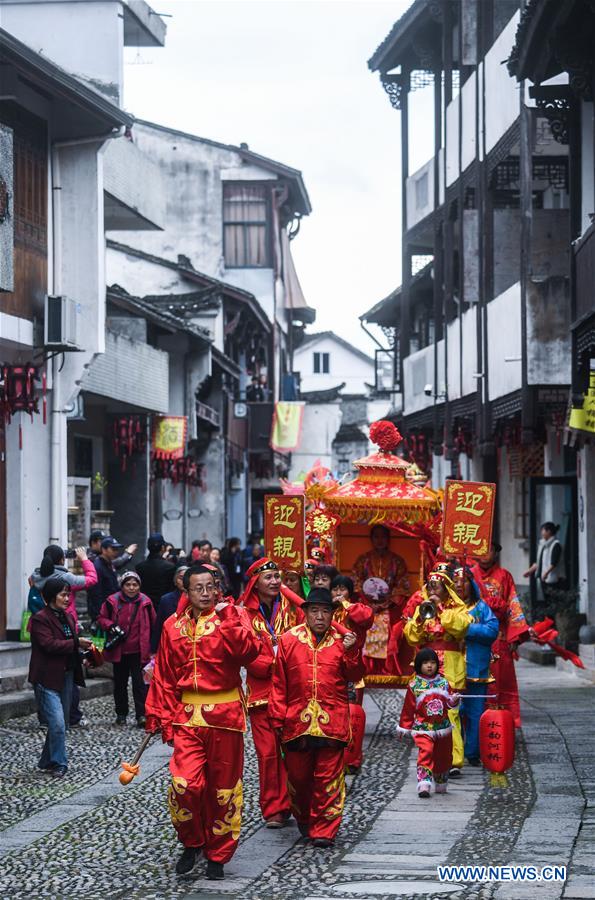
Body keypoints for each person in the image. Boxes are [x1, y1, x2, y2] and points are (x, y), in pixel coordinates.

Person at [145, 564, 261, 880]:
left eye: (210, 587)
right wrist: (161, 715)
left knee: (223, 789)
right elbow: (165, 675)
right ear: (187, 591)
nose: (206, 593)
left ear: (217, 587)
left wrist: (229, 621)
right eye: (199, 588)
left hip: (225, 717)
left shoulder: (232, 617)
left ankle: (218, 855)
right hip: (186, 720)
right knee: (184, 784)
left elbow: (250, 653)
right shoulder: (172, 626)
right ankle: (192, 841)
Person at [268, 588, 364, 846]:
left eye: (325, 611)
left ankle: (324, 830)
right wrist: (278, 718)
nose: (320, 616)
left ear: (332, 615)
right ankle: (303, 815)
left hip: (332, 722)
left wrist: (352, 652)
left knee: (328, 779)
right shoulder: (289, 640)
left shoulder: (342, 642)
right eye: (314, 611)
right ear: (306, 613)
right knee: (298, 778)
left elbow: (354, 676)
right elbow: (279, 682)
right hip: (296, 722)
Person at [239, 557, 304, 827]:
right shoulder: (244, 613)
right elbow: (244, 652)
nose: (276, 581)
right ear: (256, 583)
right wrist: (273, 663)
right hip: (261, 694)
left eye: (277, 577)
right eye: (269, 578)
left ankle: (298, 803)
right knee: (267, 754)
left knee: (295, 750)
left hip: (293, 692)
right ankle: (274, 808)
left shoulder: (293, 608)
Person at [403, 569, 471, 775]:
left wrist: (441, 609)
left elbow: (461, 628)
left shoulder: (457, 608)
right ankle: (429, 757)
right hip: (426, 665)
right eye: (429, 586)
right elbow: (411, 638)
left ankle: (454, 760)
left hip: (450, 664)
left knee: (450, 712)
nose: (432, 589)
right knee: (426, 712)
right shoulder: (422, 608)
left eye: (436, 586)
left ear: (446, 588)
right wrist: (420, 620)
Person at [28, 576, 92, 776]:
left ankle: (48, 760)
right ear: (51, 596)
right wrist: (76, 644)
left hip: (66, 676)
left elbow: (69, 645)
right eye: (63, 594)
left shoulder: (68, 617)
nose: (67, 598)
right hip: (46, 677)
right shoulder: (39, 619)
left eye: (68, 594)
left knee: (60, 723)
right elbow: (49, 645)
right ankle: (59, 763)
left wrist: (83, 655)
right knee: (56, 722)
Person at [30, 545, 97, 727]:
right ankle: (69, 716)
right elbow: (91, 579)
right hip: (63, 627)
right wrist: (84, 559)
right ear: (61, 559)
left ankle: (47, 718)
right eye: (64, 595)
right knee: (68, 669)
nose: (66, 598)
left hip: (40, 627)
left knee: (45, 670)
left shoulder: (35, 576)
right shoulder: (64, 578)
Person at [472, 543, 530, 728]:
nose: (485, 553)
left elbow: (513, 604)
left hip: (500, 635)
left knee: (502, 677)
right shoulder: (468, 575)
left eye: (489, 548)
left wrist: (515, 636)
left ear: (496, 552)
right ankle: (475, 720)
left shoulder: (504, 576)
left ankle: (504, 721)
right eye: (480, 548)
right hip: (474, 635)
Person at [397, 648, 460, 798]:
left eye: (432, 662)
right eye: (425, 663)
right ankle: (424, 783)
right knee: (426, 752)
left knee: (444, 756)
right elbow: (408, 708)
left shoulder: (444, 683)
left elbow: (449, 703)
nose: (429, 666)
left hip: (443, 726)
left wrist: (454, 700)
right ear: (419, 665)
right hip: (423, 727)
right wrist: (405, 727)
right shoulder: (414, 685)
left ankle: (440, 781)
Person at [97, 571, 155, 727]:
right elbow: (102, 618)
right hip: (119, 650)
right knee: (120, 684)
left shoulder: (146, 602)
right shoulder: (112, 601)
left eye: (135, 585)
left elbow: (153, 622)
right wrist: (111, 626)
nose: (131, 588)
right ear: (122, 586)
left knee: (140, 684)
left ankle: (141, 715)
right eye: (128, 584)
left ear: (139, 586)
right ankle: (121, 713)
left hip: (139, 650)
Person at [454, 566, 498, 766]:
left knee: (474, 712)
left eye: (463, 581)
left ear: (471, 584)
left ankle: (473, 752)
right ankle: (453, 753)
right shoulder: (446, 608)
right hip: (451, 668)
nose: (459, 585)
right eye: (455, 582)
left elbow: (491, 630)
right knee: (452, 711)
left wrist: (467, 629)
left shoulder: (481, 607)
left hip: (476, 667)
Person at [331, 575, 374, 773]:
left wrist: (346, 604)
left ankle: (353, 760)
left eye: (343, 589)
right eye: (335, 589)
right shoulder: (327, 611)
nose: (338, 593)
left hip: (352, 669)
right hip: (331, 670)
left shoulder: (357, 608)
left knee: (353, 717)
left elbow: (366, 618)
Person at [524, 522, 566, 619]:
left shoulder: (556, 544)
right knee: (547, 602)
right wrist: (530, 571)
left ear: (549, 531)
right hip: (545, 579)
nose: (542, 533)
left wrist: (546, 573)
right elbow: (540, 562)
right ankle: (550, 623)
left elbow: (554, 563)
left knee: (553, 602)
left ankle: (554, 624)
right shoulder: (544, 545)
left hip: (554, 579)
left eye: (543, 530)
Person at [87, 536, 125, 623]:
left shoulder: (109, 564)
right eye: (113, 549)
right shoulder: (98, 566)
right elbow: (95, 593)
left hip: (111, 609)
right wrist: (99, 615)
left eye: (117, 549)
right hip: (102, 613)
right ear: (104, 549)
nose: (116, 552)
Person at [151, 565, 188, 653]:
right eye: (181, 578)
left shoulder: (197, 599)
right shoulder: (166, 599)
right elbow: (159, 625)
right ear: (175, 581)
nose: (184, 581)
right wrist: (154, 650)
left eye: (187, 578)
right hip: (170, 644)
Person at [136, 533, 176, 610]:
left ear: (148, 547)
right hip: (164, 607)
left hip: (145, 607)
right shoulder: (170, 567)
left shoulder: (139, 567)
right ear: (162, 548)